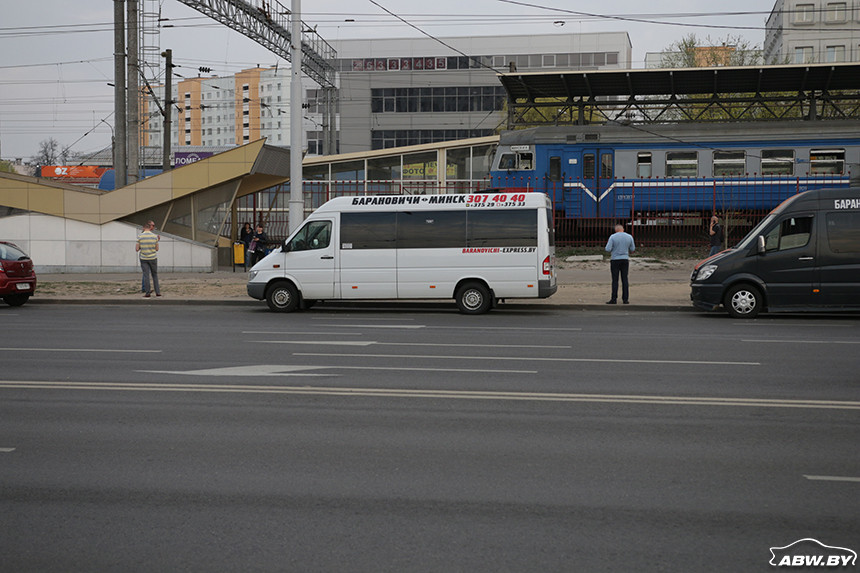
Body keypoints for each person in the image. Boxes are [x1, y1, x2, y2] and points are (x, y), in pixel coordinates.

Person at [605, 223, 635, 305]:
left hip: (615, 260)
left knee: (615, 280)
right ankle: (625, 299)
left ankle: (614, 299)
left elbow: (607, 249)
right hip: (625, 260)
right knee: (625, 279)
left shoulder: (613, 237)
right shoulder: (629, 237)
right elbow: (632, 249)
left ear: (615, 230)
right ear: (623, 229)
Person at [136, 220, 161, 298]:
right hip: (153, 258)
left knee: (146, 275)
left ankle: (147, 293)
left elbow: (137, 249)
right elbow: (157, 249)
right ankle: (158, 292)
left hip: (143, 258)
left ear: (144, 228)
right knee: (155, 275)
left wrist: (142, 246)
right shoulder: (154, 237)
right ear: (150, 227)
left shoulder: (140, 236)